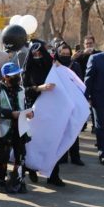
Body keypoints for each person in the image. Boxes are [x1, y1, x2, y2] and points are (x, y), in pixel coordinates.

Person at [0, 62, 34, 193]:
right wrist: (10, 114)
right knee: (3, 156)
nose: (17, 77)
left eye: (17, 74)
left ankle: (18, 179)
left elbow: (27, 105)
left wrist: (31, 113)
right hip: (4, 128)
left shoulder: (21, 89)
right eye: (13, 75)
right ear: (5, 76)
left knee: (21, 155)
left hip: (20, 127)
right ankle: (1, 180)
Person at [22, 40, 64, 186]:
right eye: (34, 54)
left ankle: (53, 175)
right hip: (34, 111)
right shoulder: (27, 70)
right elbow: (24, 90)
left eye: (40, 53)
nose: (38, 56)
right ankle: (31, 168)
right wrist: (40, 88)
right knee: (33, 142)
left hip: (52, 111)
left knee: (53, 141)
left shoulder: (52, 68)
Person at [54, 43, 84, 166]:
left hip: (73, 102)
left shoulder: (75, 65)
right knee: (61, 130)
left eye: (67, 54)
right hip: (59, 102)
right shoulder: (54, 66)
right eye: (63, 54)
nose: (65, 56)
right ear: (58, 54)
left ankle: (75, 156)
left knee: (73, 130)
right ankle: (62, 156)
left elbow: (80, 82)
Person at [85, 48, 104, 166]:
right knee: (102, 125)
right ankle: (103, 154)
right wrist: (85, 98)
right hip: (100, 99)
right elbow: (88, 79)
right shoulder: (96, 58)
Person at [74, 35, 100, 133]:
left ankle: (95, 126)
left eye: (90, 43)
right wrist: (82, 55)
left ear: (94, 44)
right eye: (87, 43)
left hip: (95, 84)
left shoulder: (98, 54)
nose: (89, 45)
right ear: (84, 45)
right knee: (82, 106)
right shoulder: (79, 55)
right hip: (81, 84)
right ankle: (82, 125)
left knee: (95, 106)